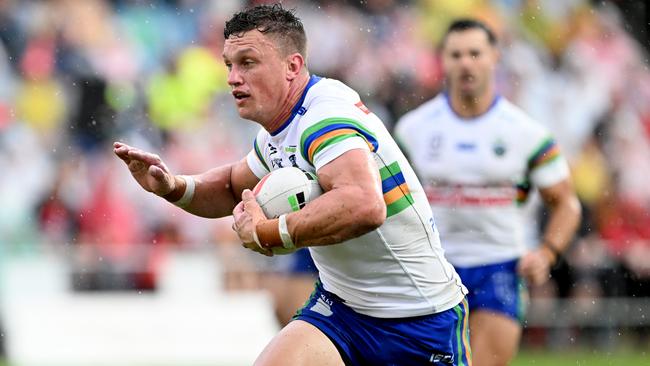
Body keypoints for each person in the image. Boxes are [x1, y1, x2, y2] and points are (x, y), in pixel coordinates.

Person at [114, 4, 470, 365]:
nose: (233, 78)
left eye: (248, 63)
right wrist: (171, 186)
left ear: (292, 66)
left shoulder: (325, 117)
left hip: (418, 316)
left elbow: (365, 204)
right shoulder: (279, 129)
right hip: (344, 311)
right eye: (229, 64)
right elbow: (232, 187)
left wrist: (269, 234)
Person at [395, 19, 581, 366]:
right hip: (433, 266)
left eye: (475, 53)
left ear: (494, 57)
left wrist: (547, 253)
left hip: (500, 266)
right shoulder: (412, 130)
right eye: (456, 54)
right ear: (444, 60)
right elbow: (388, 200)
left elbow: (566, 203)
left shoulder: (527, 133)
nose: (466, 62)